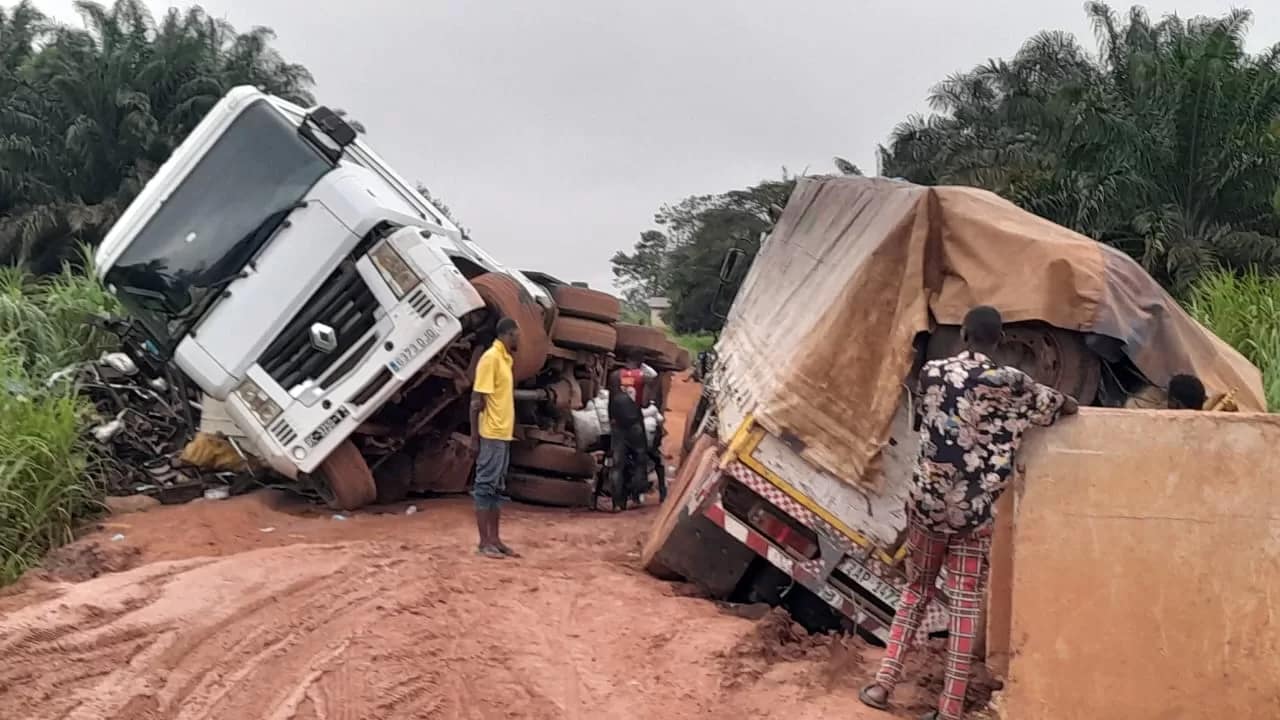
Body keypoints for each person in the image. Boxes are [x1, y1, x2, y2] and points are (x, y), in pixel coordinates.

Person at [860, 306, 1078, 720]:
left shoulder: (934, 373)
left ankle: (881, 685)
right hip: (974, 515)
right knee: (963, 605)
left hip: (926, 506)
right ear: (999, 342)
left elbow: (927, 422)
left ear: (963, 335)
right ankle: (950, 709)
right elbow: (1062, 407)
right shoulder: (1015, 385)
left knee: (915, 592)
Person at [470, 318, 519, 559]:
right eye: (516, 335)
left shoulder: (505, 359)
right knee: (485, 487)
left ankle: (495, 540)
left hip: (502, 434)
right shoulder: (490, 359)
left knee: (497, 489)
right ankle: (483, 543)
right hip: (490, 434)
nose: (518, 339)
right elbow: (476, 402)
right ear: (507, 335)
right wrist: (474, 438)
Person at [617, 355, 668, 502]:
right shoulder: (637, 379)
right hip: (636, 421)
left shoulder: (626, 378)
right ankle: (661, 489)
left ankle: (659, 488)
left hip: (630, 420)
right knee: (654, 456)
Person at [606, 368, 650, 511]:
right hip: (635, 424)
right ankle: (635, 494)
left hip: (618, 426)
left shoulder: (615, 376)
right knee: (639, 459)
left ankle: (616, 503)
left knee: (617, 465)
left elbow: (609, 402)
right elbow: (644, 403)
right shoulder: (642, 376)